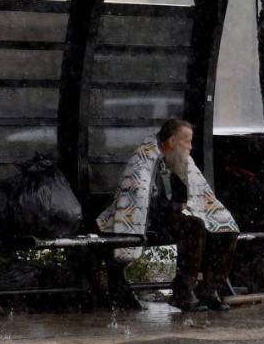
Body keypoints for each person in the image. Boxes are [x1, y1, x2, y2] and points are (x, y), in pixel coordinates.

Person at [96, 118, 239, 312]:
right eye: (186, 141)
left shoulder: (177, 158)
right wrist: (176, 207)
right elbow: (143, 201)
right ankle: (183, 291)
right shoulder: (144, 159)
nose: (190, 147)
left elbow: (199, 191)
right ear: (172, 141)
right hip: (148, 220)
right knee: (194, 226)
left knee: (225, 228)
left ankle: (211, 288)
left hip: (167, 217)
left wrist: (203, 211)